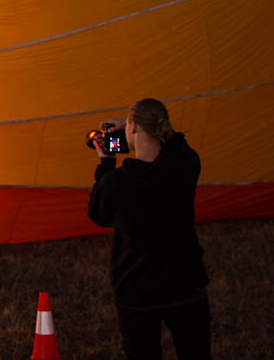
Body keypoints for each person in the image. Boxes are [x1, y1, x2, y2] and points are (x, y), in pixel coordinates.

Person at [88, 98, 211, 359]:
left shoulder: (116, 183)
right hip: (186, 282)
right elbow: (177, 144)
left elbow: (98, 213)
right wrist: (134, 124)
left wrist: (106, 163)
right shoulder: (187, 163)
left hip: (137, 290)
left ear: (132, 129)